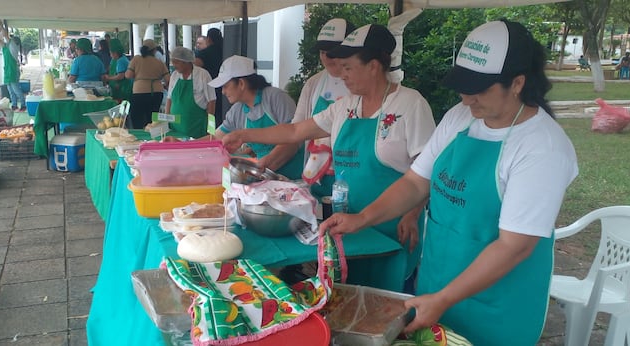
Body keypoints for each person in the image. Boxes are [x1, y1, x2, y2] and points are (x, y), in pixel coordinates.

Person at [320, 20, 578, 345]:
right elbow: (416, 183)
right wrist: (362, 218)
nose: (467, 98)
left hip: (494, 308)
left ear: (517, 83)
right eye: (463, 87)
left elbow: (514, 247)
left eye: (479, 89)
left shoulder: (542, 147)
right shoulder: (460, 117)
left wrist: (444, 298)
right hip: (437, 288)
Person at [222, 25, 435, 292]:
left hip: (394, 226)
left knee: (388, 295)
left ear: (373, 66)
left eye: (348, 67)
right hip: (349, 223)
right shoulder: (346, 105)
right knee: (351, 291)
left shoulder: (410, 105)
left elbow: (425, 172)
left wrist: (413, 214)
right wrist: (243, 133)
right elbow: (296, 130)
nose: (342, 75)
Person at [209, 55, 304, 180]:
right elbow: (217, 137)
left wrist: (265, 165)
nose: (223, 92)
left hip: (293, 178)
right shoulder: (237, 111)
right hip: (264, 176)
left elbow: (294, 139)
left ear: (241, 83)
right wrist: (185, 145)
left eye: (225, 86)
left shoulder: (276, 98)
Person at [293, 18, 355, 197]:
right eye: (322, 51)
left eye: (332, 52)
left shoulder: (361, 85)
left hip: (350, 177)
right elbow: (296, 129)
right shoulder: (314, 83)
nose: (326, 57)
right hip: (316, 178)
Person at [165, 47, 216, 138]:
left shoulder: (203, 75)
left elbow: (211, 102)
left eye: (177, 62)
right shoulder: (174, 75)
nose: (174, 65)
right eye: (173, 62)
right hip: (175, 127)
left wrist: (211, 129)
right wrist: (165, 122)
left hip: (196, 127)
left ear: (186, 62)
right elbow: (169, 99)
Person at [125, 39, 170, 129]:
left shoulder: (136, 59)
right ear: (154, 50)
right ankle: (151, 138)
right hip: (156, 93)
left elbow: (128, 75)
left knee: (137, 118)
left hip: (139, 92)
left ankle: (139, 137)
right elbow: (168, 79)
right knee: (152, 120)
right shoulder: (159, 63)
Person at [195, 28, 224, 125]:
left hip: (208, 86)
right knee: (220, 113)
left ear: (208, 39)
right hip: (225, 85)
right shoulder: (226, 50)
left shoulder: (204, 53)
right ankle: (218, 131)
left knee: (210, 111)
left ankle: (210, 131)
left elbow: (195, 68)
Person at [0, 20, 25, 111]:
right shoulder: (6, 47)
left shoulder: (12, 46)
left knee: (16, 90)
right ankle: (14, 104)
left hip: (12, 70)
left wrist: (1, 25)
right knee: (10, 90)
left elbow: (5, 36)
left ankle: (23, 105)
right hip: (8, 71)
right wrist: (0, 29)